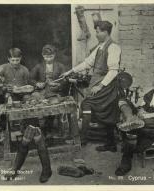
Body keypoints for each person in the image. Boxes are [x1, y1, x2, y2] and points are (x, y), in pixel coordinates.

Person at [60, 20, 122, 152]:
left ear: (106, 32)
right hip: (98, 83)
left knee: (90, 106)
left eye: (98, 31)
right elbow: (87, 63)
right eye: (96, 31)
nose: (96, 34)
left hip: (107, 85)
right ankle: (109, 143)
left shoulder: (113, 47)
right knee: (104, 112)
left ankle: (84, 139)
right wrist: (70, 71)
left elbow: (113, 71)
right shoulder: (100, 46)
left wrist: (100, 86)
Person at [30, 44, 68, 137]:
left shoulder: (60, 66)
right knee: (38, 103)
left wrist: (59, 85)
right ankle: (42, 129)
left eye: (51, 56)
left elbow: (65, 79)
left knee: (53, 105)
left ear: (54, 55)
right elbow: (30, 79)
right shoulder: (39, 66)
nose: (48, 59)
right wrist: (37, 84)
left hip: (55, 92)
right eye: (46, 57)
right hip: (42, 92)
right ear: (43, 56)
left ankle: (51, 128)